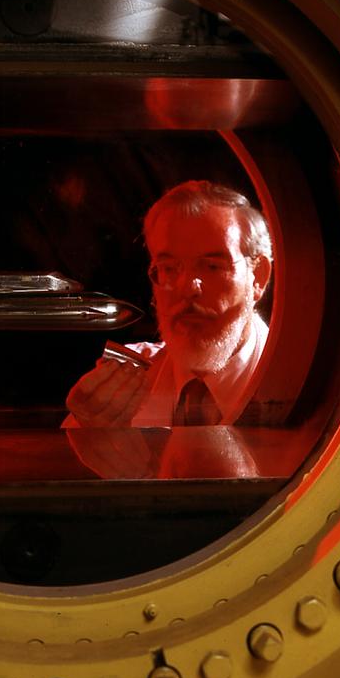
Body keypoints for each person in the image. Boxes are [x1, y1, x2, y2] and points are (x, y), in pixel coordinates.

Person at [63, 180, 273, 478]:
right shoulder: (125, 379)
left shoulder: (299, 381)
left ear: (258, 277)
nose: (187, 289)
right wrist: (84, 432)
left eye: (212, 266)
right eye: (169, 268)